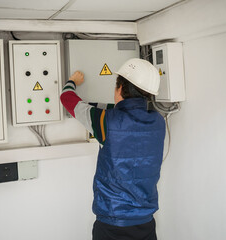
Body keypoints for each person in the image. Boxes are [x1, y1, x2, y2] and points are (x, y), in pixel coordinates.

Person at [60, 58, 165, 240]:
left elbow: (66, 98)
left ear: (120, 88)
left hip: (112, 225)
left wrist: (72, 82)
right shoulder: (158, 121)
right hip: (146, 224)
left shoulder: (105, 121)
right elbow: (119, 111)